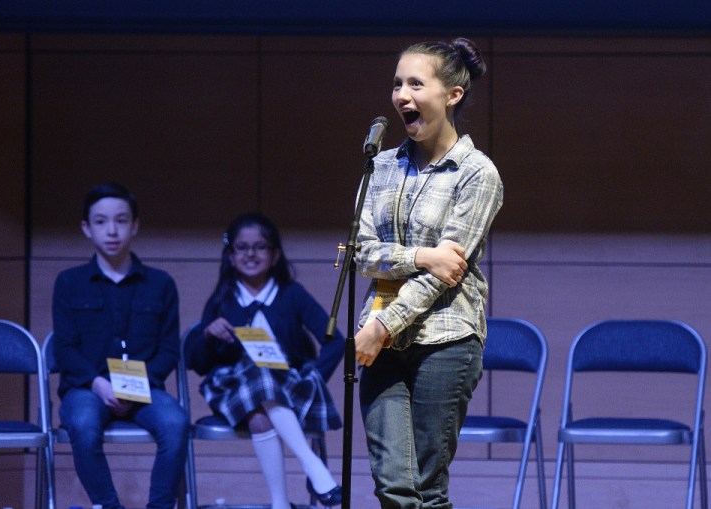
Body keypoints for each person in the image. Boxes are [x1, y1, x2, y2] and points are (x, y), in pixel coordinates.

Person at [354, 37, 504, 508]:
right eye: (398, 83)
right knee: (393, 485)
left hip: (445, 338)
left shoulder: (477, 173)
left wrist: (382, 325)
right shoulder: (379, 166)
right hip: (380, 341)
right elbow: (360, 253)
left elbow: (449, 271)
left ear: (451, 95)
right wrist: (422, 256)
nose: (402, 95)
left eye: (416, 83)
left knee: (426, 487)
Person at [186, 212, 345, 509]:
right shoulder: (224, 298)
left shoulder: (292, 294)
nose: (250, 254)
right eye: (241, 248)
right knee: (257, 374)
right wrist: (208, 335)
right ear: (230, 256)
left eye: (260, 247)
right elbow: (196, 361)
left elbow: (336, 341)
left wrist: (314, 377)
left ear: (275, 255)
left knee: (260, 414)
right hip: (233, 387)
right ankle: (314, 468)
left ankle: (280, 504)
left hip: (287, 388)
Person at [51, 182, 189, 509]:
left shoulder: (161, 284)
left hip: (145, 388)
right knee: (83, 424)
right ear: (86, 228)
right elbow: (66, 349)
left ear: (135, 225)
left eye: (121, 220)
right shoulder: (69, 282)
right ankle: (109, 506)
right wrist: (99, 384)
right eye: (100, 222)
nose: (112, 230)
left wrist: (135, 387)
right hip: (87, 387)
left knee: (175, 423)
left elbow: (168, 349)